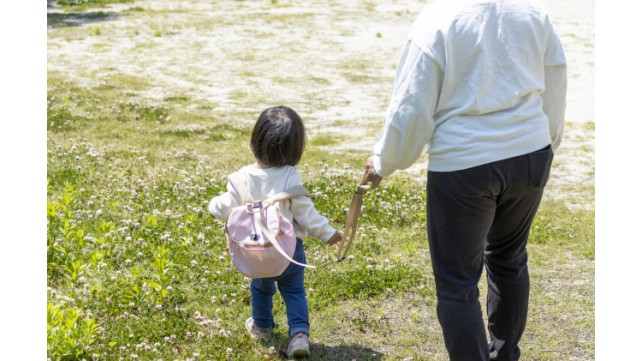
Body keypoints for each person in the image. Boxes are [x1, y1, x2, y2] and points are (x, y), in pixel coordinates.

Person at [362, 0, 566, 359]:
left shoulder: (438, 19)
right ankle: (504, 355)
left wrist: (384, 161)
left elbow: (411, 106)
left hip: (465, 164)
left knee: (458, 284)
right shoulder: (531, 12)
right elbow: (556, 79)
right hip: (530, 153)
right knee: (509, 258)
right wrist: (548, 142)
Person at [208, 105, 342, 358]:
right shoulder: (290, 177)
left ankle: (262, 326)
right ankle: (299, 335)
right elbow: (306, 213)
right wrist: (327, 233)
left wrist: (212, 207)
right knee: (293, 291)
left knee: (260, 287)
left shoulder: (241, 178)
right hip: (289, 251)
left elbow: (223, 205)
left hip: (255, 250)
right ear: (295, 149)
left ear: (255, 141)